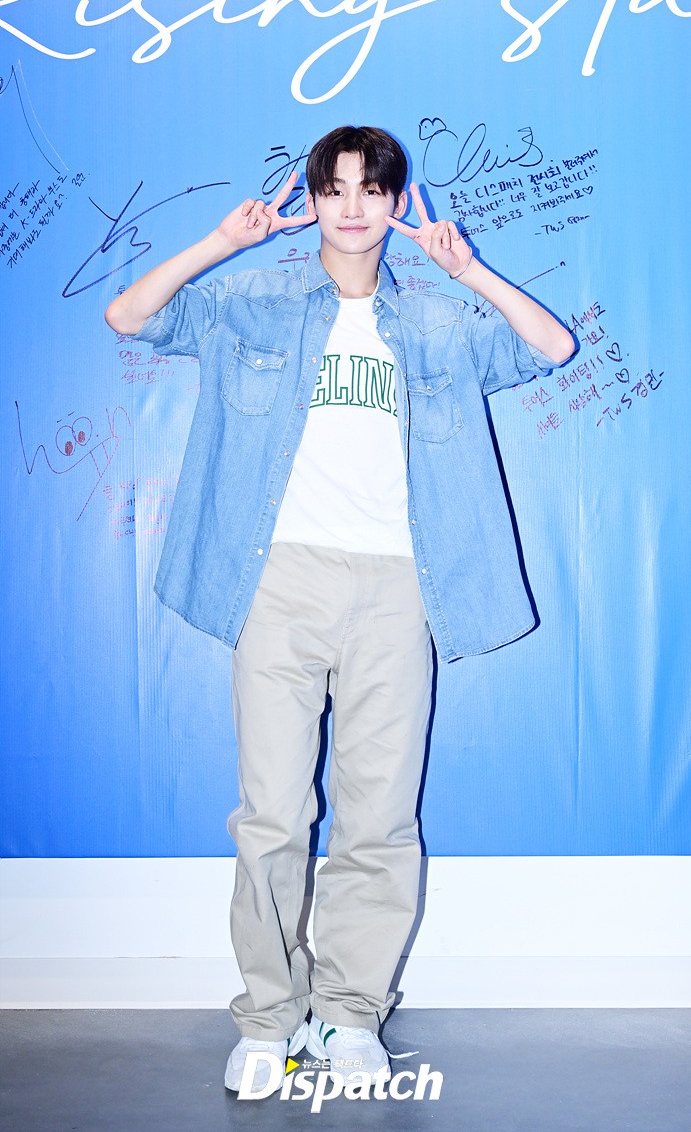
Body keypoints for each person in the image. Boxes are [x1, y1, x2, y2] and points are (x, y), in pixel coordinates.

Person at [105, 125, 575, 1094]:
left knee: (380, 816)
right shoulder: (253, 302)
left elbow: (552, 345)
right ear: (312, 201)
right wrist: (220, 243)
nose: (352, 206)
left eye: (372, 189)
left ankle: (350, 1014)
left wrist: (470, 272)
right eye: (334, 188)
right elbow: (128, 315)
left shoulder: (438, 321)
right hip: (276, 580)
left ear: (398, 204)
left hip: (399, 586)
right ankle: (270, 1018)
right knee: (272, 813)